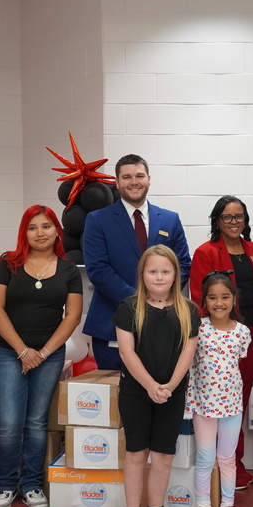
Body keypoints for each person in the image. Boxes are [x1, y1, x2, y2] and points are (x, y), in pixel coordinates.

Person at [0, 206, 83, 507]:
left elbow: (73, 317)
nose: (40, 232)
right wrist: (22, 351)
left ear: (57, 230)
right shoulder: (8, 263)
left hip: (49, 354)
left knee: (37, 422)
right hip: (8, 351)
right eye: (32, 227)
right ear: (24, 232)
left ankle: (31, 485)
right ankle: (4, 484)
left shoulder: (69, 270)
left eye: (46, 226)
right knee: (11, 422)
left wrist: (41, 353)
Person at [115, 245, 200, 507]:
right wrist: (151, 385)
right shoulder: (128, 308)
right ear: (143, 274)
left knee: (163, 454)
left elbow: (188, 352)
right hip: (137, 391)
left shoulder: (188, 310)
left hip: (172, 394)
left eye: (166, 271)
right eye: (153, 271)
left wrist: (170, 386)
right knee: (138, 454)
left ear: (176, 274)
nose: (159, 277)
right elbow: (126, 351)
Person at [82, 154, 191, 370]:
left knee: (159, 393)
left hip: (163, 322)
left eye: (139, 175)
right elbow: (98, 269)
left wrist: (158, 301)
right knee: (116, 397)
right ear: (117, 182)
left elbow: (183, 265)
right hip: (112, 322)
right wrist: (139, 302)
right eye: (127, 177)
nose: (134, 182)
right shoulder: (98, 220)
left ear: (149, 179)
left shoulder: (170, 219)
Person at [189, 196, 253, 490]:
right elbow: (199, 297)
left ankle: (234, 463)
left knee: (238, 404)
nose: (234, 222)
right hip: (217, 342)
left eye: (239, 216)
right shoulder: (205, 252)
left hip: (251, 338)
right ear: (217, 221)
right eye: (227, 217)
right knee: (216, 407)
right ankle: (220, 466)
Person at [188, 272, 251, 507]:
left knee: (226, 458)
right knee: (204, 459)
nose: (219, 303)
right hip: (203, 405)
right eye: (212, 297)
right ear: (205, 300)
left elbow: (239, 361)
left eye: (225, 297)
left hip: (232, 405)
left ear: (234, 300)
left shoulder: (242, 332)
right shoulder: (198, 329)